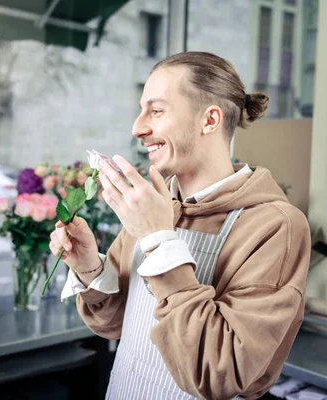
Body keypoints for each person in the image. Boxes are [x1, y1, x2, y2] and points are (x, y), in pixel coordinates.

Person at [51, 51, 311, 400]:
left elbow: (218, 374)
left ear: (210, 120)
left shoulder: (275, 226)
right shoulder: (155, 205)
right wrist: (89, 267)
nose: (138, 128)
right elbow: (115, 325)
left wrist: (158, 239)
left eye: (156, 110)